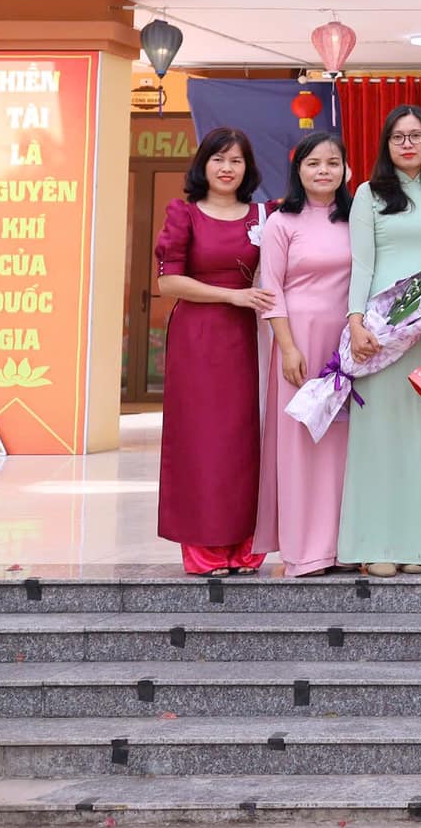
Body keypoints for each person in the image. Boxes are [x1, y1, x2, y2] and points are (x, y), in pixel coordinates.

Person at [342, 104, 421, 577]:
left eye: (416, 135)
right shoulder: (369, 194)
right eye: (398, 137)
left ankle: (420, 545)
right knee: (378, 438)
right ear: (386, 144)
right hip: (381, 332)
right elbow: (362, 264)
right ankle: (375, 544)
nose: (408, 144)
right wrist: (357, 323)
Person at [155, 127, 272, 576]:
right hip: (197, 338)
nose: (227, 168)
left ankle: (246, 543)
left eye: (236, 160)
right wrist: (232, 296)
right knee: (200, 440)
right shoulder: (183, 213)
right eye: (218, 159)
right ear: (203, 164)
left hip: (248, 337)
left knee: (243, 439)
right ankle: (203, 546)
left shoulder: (264, 214)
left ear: (248, 168)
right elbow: (169, 282)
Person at [255, 130, 354, 577]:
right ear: (298, 170)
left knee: (341, 444)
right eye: (313, 163)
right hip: (299, 342)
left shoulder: (356, 219)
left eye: (332, 163)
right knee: (301, 441)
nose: (323, 171)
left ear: (346, 170)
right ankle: (304, 550)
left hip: (346, 343)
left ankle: (342, 545)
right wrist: (288, 346)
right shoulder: (282, 222)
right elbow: (271, 289)